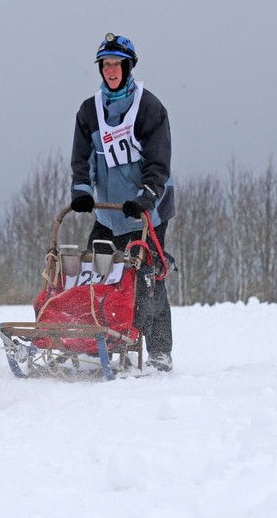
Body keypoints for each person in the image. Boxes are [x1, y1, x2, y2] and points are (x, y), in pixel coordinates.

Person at [69, 33, 175, 371]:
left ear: (128, 68)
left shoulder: (149, 107)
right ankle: (97, 339)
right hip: (110, 212)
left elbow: (158, 161)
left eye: (117, 64)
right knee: (95, 273)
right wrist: (82, 191)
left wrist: (146, 196)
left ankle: (159, 350)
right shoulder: (90, 111)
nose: (111, 70)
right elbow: (81, 158)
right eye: (106, 64)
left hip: (148, 211)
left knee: (147, 278)